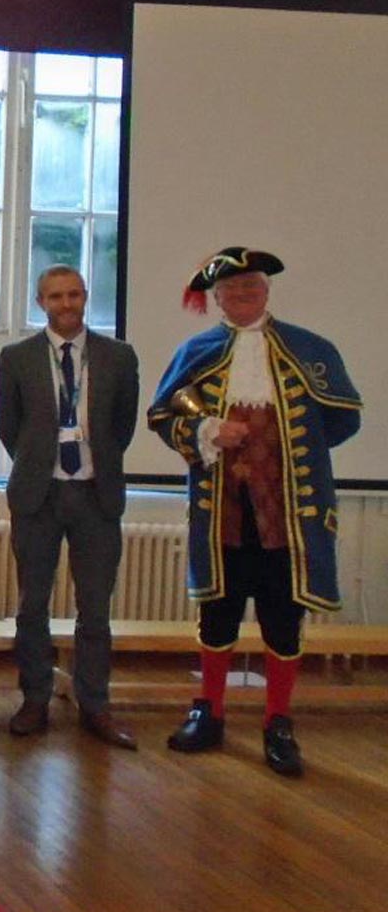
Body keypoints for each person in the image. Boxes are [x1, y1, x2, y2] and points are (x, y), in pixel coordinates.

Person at [150, 247, 361, 776]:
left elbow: (342, 420)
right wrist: (205, 431)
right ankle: (211, 711)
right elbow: (162, 416)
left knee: (282, 619)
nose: (242, 297)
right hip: (223, 510)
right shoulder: (197, 350)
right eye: (232, 290)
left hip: (288, 514)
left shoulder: (311, 349)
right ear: (216, 298)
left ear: (266, 293)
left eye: (252, 288)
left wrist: (291, 452)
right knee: (217, 615)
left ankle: (278, 721)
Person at [0, 265, 140, 749]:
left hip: (97, 495)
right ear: (41, 302)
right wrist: (41, 464)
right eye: (55, 296)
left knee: (95, 610)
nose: (66, 303)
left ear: (85, 296)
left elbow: (122, 428)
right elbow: (9, 429)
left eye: (74, 294)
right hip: (39, 495)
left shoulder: (118, 356)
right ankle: (35, 698)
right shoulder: (16, 358)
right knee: (32, 604)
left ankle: (94, 704)